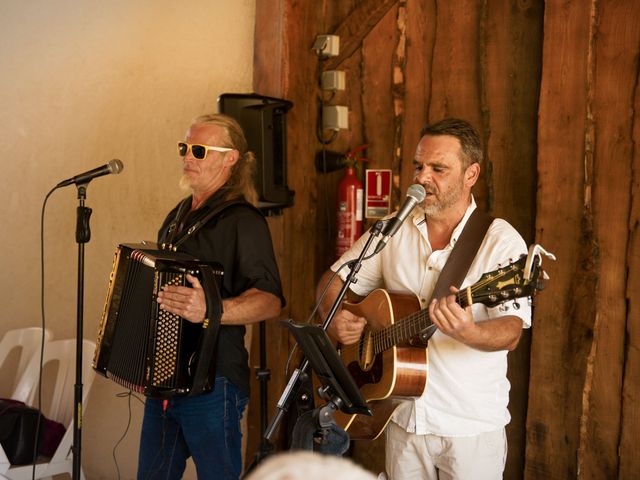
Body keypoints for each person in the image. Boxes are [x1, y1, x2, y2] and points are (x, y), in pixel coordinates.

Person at [316, 118, 531, 480]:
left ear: (471, 174)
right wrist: (334, 315)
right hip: (401, 416)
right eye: (418, 166)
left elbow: (511, 331)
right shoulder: (391, 230)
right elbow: (334, 280)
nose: (422, 177)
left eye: (438, 168)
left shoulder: (500, 241)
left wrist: (469, 332)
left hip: (469, 428)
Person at [137, 113, 284, 480]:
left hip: (214, 381)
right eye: (185, 148)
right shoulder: (178, 217)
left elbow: (270, 299)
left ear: (229, 158)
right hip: (166, 378)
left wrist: (210, 309)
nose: (188, 157)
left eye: (199, 150)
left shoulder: (243, 220)